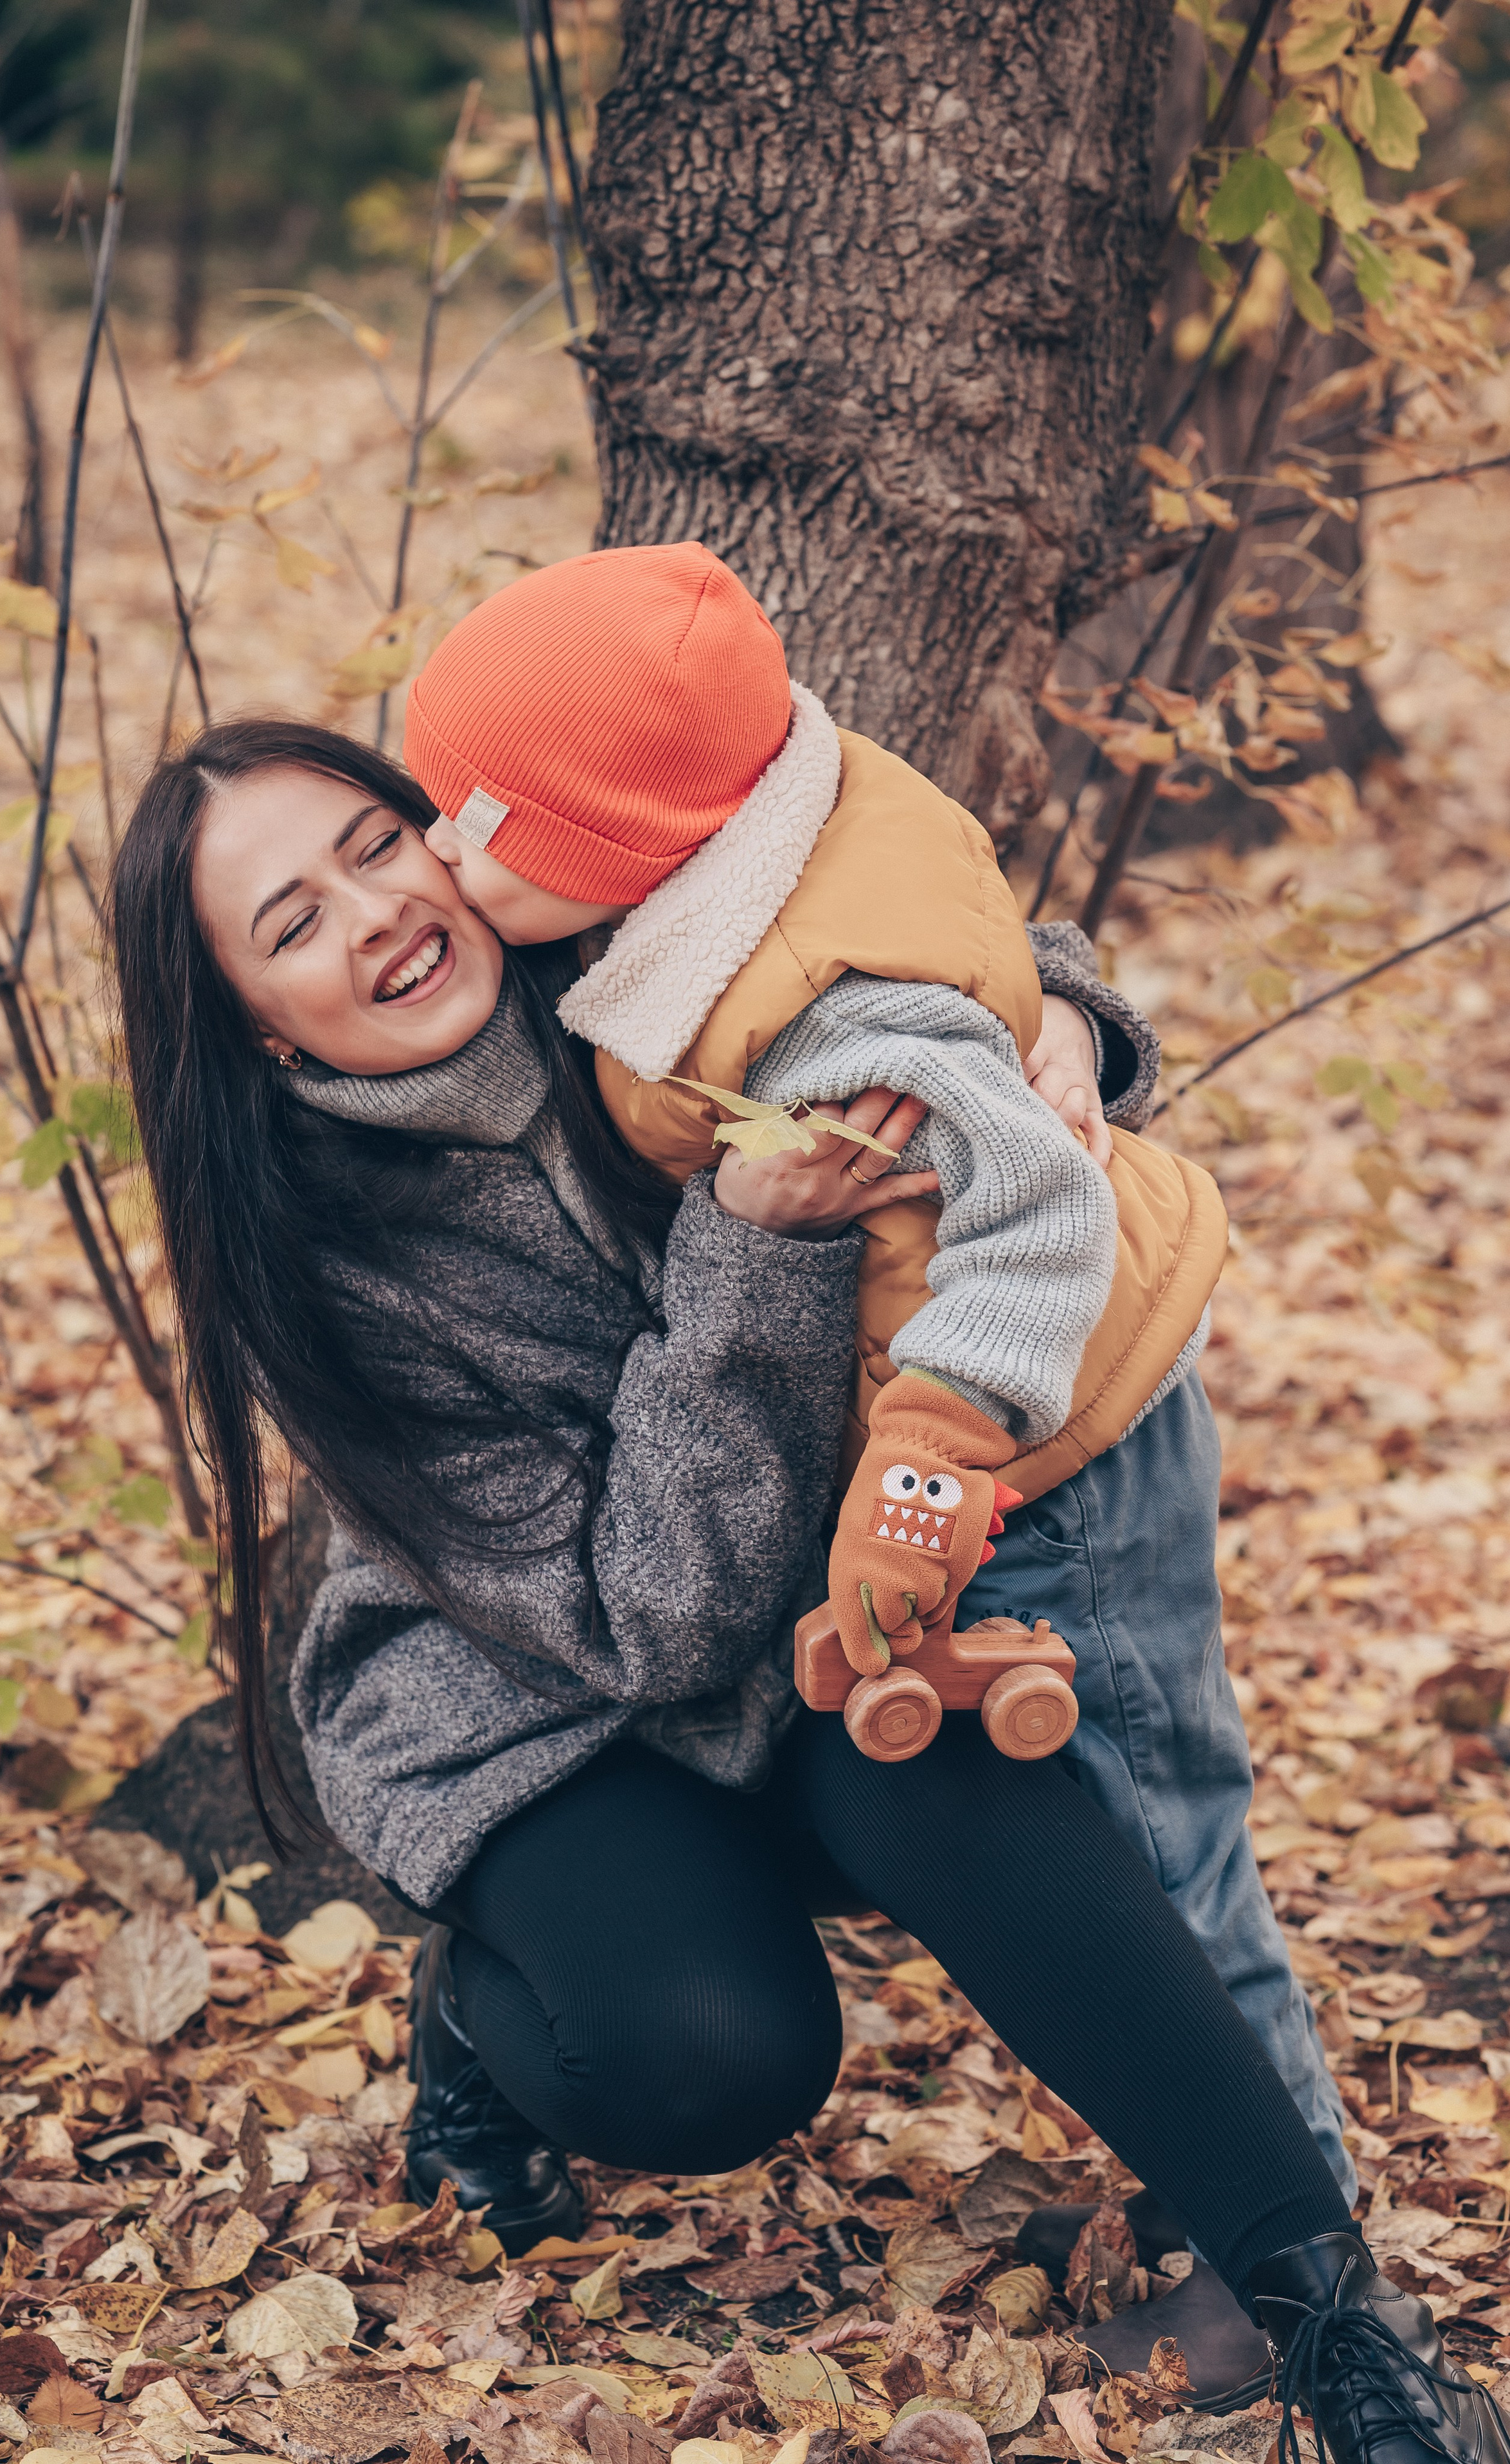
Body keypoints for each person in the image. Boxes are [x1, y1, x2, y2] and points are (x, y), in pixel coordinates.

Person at [109, 716, 1507, 2464]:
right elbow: (650, 1617)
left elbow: (917, 945)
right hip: (551, 1714)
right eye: (290, 922)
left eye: (374, 846)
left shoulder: (598, 918)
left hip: (816, 1616)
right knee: (711, 2053)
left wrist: (1068, 1031)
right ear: (250, 1015)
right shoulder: (326, 1262)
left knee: (968, 1767)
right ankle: (478, 2008)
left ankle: (1345, 2336)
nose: (372, 914)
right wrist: (755, 1245)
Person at [399, 545, 1355, 2368]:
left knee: (1153, 1832)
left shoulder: (823, 1004)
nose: (440, 861)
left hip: (1041, 1429)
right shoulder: (744, 863)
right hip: (999, 1430)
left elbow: (1035, 1203)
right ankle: (1209, 2172)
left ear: (615, 844)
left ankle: (1288, 2244)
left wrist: (931, 1441)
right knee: (1126, 1813)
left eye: (476, 824)